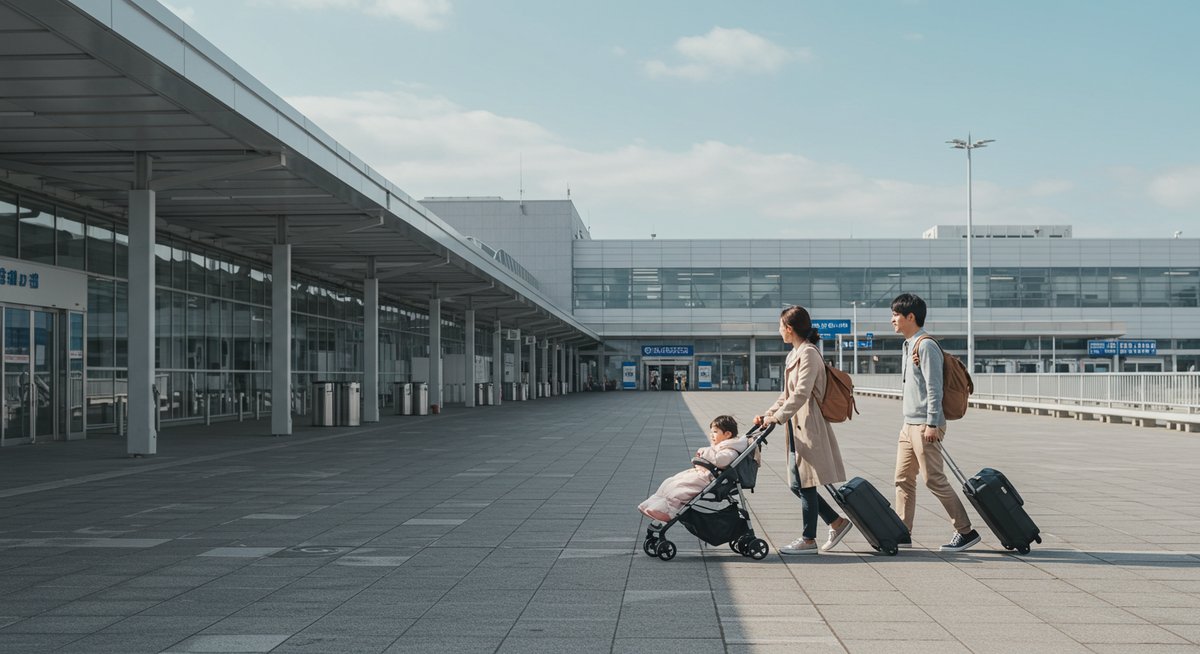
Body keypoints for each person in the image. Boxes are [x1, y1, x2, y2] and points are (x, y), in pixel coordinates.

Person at [755, 306, 853, 555]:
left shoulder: (809, 353)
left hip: (809, 425)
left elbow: (802, 392)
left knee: (805, 482)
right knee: (797, 483)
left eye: (780, 326)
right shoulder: (795, 354)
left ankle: (809, 539)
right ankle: (836, 522)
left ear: (789, 328)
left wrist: (776, 418)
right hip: (795, 425)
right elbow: (786, 394)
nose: (779, 331)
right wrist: (768, 414)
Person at [890, 292, 981, 552]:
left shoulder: (925, 345)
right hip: (909, 424)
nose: (892, 319)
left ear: (911, 317)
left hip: (924, 425)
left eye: (896, 315)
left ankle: (965, 531)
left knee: (934, 479)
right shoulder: (907, 344)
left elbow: (934, 389)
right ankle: (902, 532)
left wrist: (932, 423)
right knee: (902, 479)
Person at [638, 415, 748, 522]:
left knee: (681, 488)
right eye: (711, 432)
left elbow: (720, 460)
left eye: (715, 432)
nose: (711, 435)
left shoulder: (731, 449)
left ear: (728, 434)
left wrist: (706, 451)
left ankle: (669, 511)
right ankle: (653, 505)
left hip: (708, 478)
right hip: (701, 473)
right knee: (670, 481)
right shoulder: (722, 446)